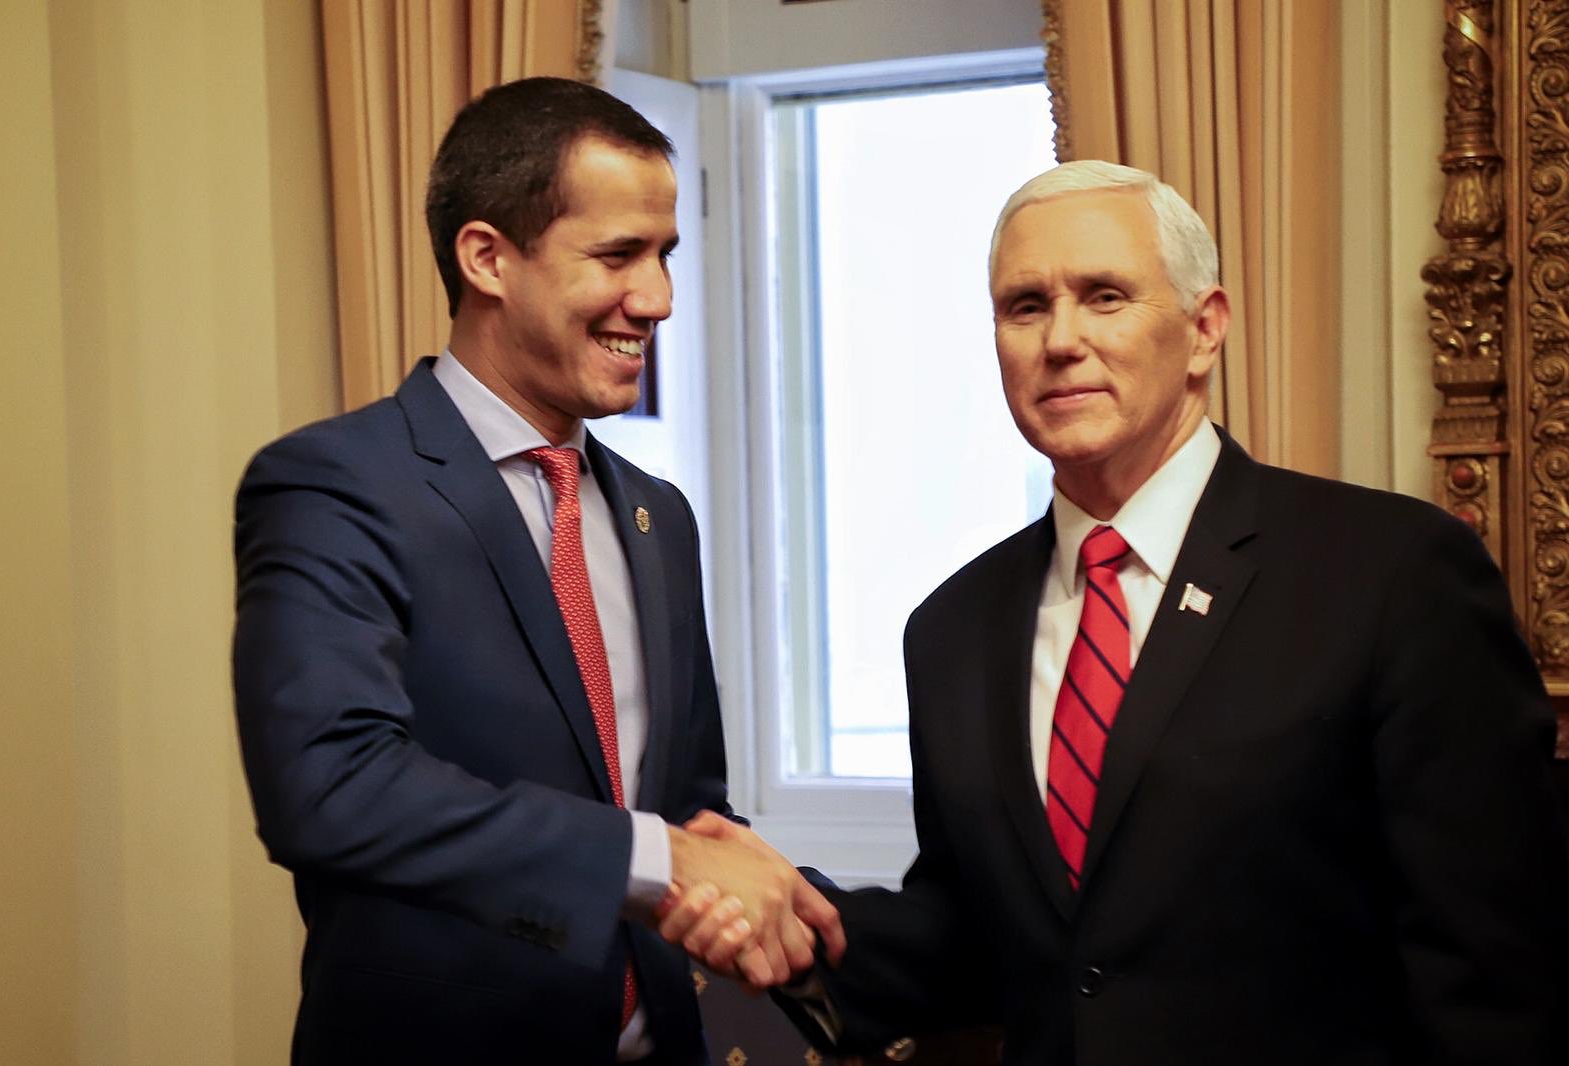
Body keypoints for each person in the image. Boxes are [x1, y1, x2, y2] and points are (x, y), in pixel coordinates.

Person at [667, 160, 1569, 1065]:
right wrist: (783, 917)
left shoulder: (1388, 574)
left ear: (1205, 328)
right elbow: (974, 940)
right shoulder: (953, 629)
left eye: (1104, 296)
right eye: (1026, 307)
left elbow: (1496, 965)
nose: (1060, 339)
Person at [232, 77, 840, 1066]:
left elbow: (680, 796)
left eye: (665, 256)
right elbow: (331, 787)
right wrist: (658, 859)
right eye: (618, 256)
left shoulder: (657, 515)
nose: (658, 299)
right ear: (487, 259)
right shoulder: (335, 485)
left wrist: (742, 873)